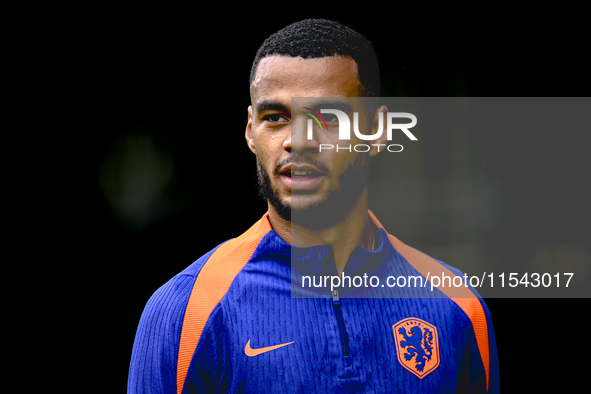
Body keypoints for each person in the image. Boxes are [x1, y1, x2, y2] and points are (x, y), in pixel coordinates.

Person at [128, 19, 499, 393]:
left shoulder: (455, 304)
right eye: (275, 118)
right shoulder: (187, 312)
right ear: (250, 131)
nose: (298, 141)